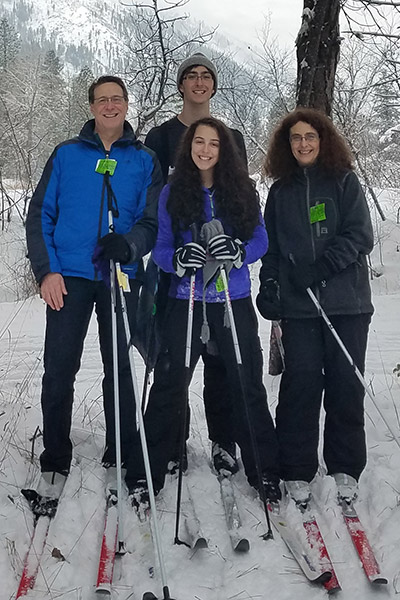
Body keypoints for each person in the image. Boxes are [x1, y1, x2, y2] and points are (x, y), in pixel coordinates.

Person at [25, 75, 163, 510]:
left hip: (118, 276)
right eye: (101, 100)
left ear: (126, 105)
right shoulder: (67, 154)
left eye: (116, 99)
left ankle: (119, 450)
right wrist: (46, 271)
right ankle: (55, 457)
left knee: (118, 365)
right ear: (91, 107)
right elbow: (40, 216)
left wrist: (132, 245)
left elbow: (151, 221)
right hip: (68, 276)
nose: (109, 106)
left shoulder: (144, 159)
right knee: (59, 367)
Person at [127, 116, 281, 503]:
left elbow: (261, 237)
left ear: (223, 149)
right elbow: (160, 247)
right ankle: (147, 471)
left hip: (234, 299)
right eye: (199, 142)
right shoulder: (173, 191)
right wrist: (178, 258)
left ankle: (265, 470)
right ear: (189, 146)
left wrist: (241, 252)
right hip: (186, 299)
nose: (206, 149)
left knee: (246, 384)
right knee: (169, 384)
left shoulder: (242, 189)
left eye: (214, 143)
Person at [256, 107, 374, 506]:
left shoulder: (343, 181)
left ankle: (345, 466)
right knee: (300, 384)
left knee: (344, 383)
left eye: (310, 137)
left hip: (347, 304)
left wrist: (322, 267)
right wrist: (269, 285)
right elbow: (269, 248)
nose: (303, 143)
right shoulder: (280, 191)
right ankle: (296, 466)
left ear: (322, 140)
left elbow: (359, 234)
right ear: (286, 146)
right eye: (295, 138)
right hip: (300, 307)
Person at [141, 53, 248, 476]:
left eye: (207, 76)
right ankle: (172, 443)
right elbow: (153, 197)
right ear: (181, 84)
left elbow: (240, 197)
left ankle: (224, 442)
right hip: (177, 270)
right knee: (174, 361)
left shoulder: (230, 137)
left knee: (221, 363)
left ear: (213, 86)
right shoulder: (162, 135)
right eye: (192, 76)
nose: (199, 82)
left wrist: (236, 246)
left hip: (221, 273)